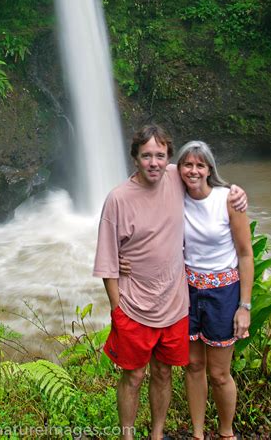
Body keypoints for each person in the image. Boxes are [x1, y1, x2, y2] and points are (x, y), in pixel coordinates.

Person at [93, 124, 247, 440]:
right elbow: (107, 262)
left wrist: (237, 190)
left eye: (160, 156)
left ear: (168, 159)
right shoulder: (117, 200)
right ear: (135, 157)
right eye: (146, 155)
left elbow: (201, 172)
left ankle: (158, 434)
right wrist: (117, 309)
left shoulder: (176, 177)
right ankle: (127, 436)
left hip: (176, 304)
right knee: (133, 376)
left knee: (164, 372)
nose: (154, 163)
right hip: (134, 305)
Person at [177, 141, 253, 440]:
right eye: (188, 164)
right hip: (188, 291)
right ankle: (197, 434)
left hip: (223, 294)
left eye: (200, 165)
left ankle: (226, 433)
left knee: (220, 374)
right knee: (193, 366)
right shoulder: (175, 196)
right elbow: (152, 170)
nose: (193, 170)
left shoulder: (228, 200)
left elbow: (246, 254)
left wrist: (244, 306)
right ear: (180, 168)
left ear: (210, 169)